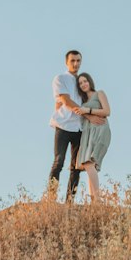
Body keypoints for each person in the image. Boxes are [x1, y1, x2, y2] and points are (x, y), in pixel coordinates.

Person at [48, 50, 85, 201]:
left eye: (78, 61)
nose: (76, 64)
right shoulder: (60, 78)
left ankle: (70, 201)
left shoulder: (83, 81)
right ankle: (51, 198)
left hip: (79, 128)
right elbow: (65, 100)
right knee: (59, 161)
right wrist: (85, 112)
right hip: (63, 126)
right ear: (66, 62)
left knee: (76, 167)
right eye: (73, 61)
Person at [73, 72, 111, 202]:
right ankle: (94, 201)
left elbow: (107, 111)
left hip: (100, 130)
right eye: (80, 83)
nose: (83, 84)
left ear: (90, 81)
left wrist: (87, 111)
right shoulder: (82, 102)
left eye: (85, 81)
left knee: (90, 164)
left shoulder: (99, 93)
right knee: (89, 165)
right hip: (87, 134)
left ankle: (97, 200)